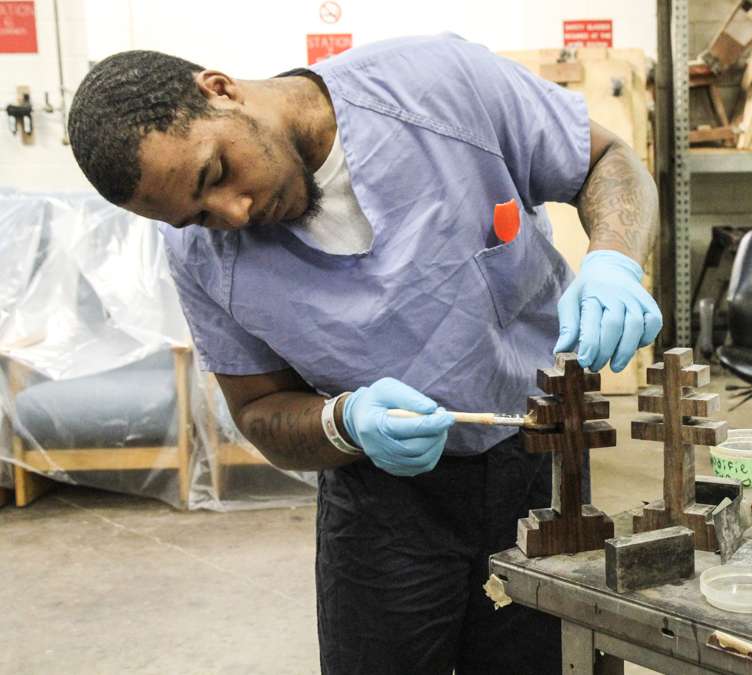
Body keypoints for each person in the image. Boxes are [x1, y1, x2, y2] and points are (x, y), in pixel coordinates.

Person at [67, 34, 662, 674]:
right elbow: (259, 408)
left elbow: (607, 161)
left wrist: (613, 262)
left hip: (541, 466)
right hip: (380, 503)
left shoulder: (438, 88)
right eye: (198, 216)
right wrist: (343, 423)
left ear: (220, 90)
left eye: (217, 173)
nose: (234, 214)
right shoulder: (201, 257)